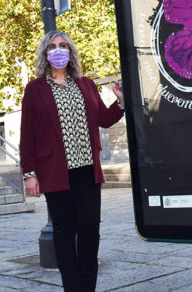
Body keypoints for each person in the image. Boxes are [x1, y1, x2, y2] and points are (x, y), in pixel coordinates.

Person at [19, 30, 124, 292]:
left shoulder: (86, 84)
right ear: (45, 54)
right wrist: (29, 173)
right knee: (64, 233)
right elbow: (27, 135)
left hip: (88, 170)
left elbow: (103, 119)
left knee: (90, 231)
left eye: (63, 45)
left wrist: (120, 102)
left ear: (71, 51)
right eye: (52, 46)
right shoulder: (35, 89)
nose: (58, 50)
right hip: (55, 172)